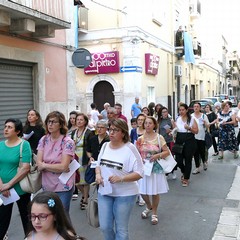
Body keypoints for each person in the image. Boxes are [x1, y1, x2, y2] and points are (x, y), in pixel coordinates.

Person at [95, 118, 143, 240]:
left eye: (115, 130)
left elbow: (140, 172)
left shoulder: (130, 148)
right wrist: (98, 175)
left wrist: (121, 178)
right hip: (105, 191)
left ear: (123, 133)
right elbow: (98, 164)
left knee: (121, 229)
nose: (111, 133)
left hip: (125, 194)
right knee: (105, 227)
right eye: (110, 129)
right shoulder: (105, 146)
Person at [36, 111, 76, 217]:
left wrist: (45, 165)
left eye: (54, 122)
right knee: (50, 216)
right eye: (49, 121)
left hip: (63, 186)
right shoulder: (43, 140)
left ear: (61, 124)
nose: (50, 124)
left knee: (62, 216)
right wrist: (53, 167)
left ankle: (68, 234)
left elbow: (63, 166)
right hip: (47, 185)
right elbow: (38, 164)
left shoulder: (67, 142)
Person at [0, 118, 32, 239]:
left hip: (21, 189)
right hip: (3, 190)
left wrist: (9, 184)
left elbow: (25, 168)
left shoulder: (24, 144)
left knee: (27, 219)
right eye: (5, 126)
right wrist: (2, 186)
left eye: (10, 127)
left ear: (17, 131)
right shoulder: (0, 145)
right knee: (2, 220)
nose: (6, 129)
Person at [136, 116, 170, 225]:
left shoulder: (159, 138)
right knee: (142, 191)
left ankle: (154, 213)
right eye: (146, 123)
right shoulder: (140, 139)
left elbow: (167, 152)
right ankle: (149, 206)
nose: (147, 125)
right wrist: (140, 159)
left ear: (154, 125)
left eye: (150, 123)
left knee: (154, 192)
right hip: (144, 168)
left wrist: (157, 156)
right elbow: (136, 154)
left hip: (155, 168)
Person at [71, 113, 94, 210]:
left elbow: (91, 147)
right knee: (76, 180)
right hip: (74, 157)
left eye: (81, 120)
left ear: (85, 121)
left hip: (84, 157)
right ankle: (86, 195)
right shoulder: (73, 132)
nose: (79, 121)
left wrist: (90, 158)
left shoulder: (89, 132)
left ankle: (85, 199)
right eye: (77, 119)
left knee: (84, 180)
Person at [174, 103, 198, 187]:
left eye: (183, 110)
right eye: (180, 110)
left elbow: (196, 131)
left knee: (188, 160)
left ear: (186, 110)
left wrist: (189, 128)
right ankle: (184, 172)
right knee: (178, 160)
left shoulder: (192, 119)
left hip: (189, 140)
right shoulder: (178, 119)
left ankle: (186, 178)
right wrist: (172, 132)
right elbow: (176, 130)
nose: (181, 111)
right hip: (179, 140)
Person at [130, 113, 146, 206]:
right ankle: (137, 193)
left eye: (142, 120)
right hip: (135, 156)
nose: (140, 121)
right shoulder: (133, 131)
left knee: (141, 177)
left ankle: (142, 197)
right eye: (139, 120)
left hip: (144, 157)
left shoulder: (147, 131)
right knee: (135, 176)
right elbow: (131, 142)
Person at [158, 107, 177, 179]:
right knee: (163, 157)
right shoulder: (159, 121)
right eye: (163, 112)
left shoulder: (171, 120)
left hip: (169, 140)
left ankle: (172, 171)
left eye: (166, 112)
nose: (165, 113)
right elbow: (157, 131)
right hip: (162, 141)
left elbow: (175, 129)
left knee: (171, 156)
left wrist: (171, 131)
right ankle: (166, 172)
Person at [191, 102, 210, 174]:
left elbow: (208, 126)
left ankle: (204, 161)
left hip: (201, 136)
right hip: (193, 136)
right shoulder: (191, 116)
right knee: (195, 152)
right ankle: (197, 167)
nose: (196, 108)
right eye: (194, 106)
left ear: (200, 108)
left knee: (202, 151)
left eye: (197, 106)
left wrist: (205, 122)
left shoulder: (203, 116)